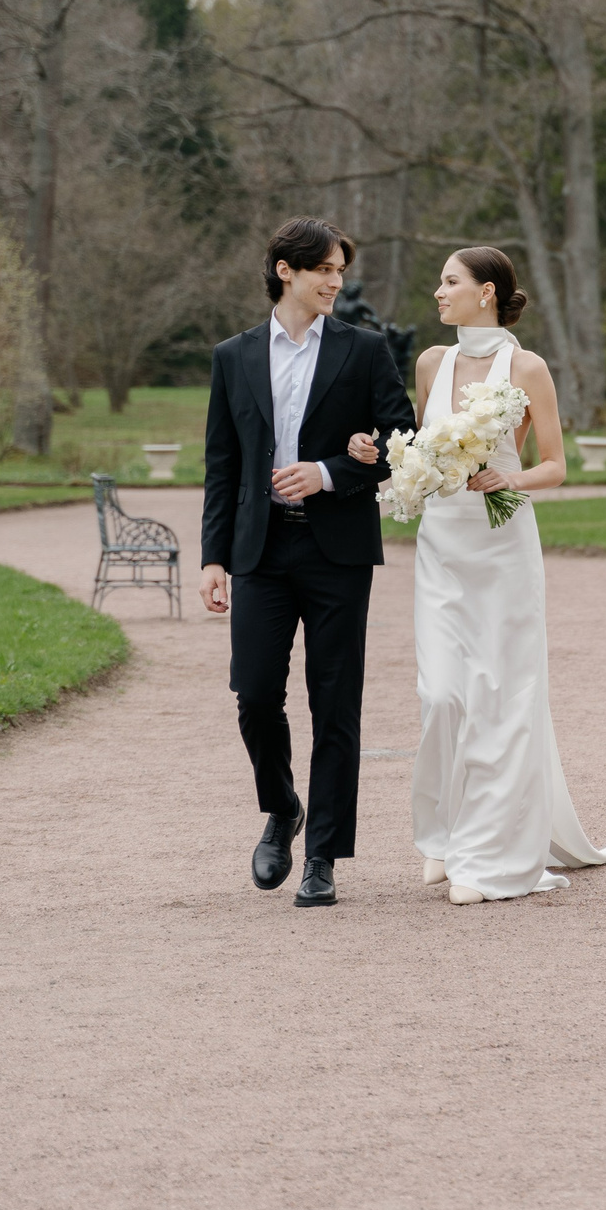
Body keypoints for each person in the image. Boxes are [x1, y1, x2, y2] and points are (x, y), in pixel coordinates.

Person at [347, 247, 606, 905]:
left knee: (499, 700)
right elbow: (424, 446)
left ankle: (488, 857)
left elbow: (556, 465)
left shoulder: (527, 368)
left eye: (450, 281)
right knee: (441, 696)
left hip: (502, 549)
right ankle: (440, 837)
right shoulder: (432, 363)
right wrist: (385, 456)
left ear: (486, 291)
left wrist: (509, 477)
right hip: (441, 547)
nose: (437, 292)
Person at [200, 218, 417, 909]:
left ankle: (322, 853)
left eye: (340, 271)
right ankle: (282, 806)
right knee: (256, 692)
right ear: (284, 270)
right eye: (323, 268)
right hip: (259, 551)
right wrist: (213, 557)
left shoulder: (364, 350)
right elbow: (222, 465)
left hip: (337, 551)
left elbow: (401, 439)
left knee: (335, 703)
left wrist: (330, 471)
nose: (335, 281)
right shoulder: (233, 357)